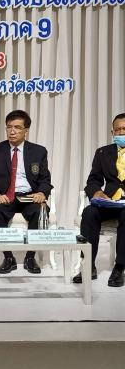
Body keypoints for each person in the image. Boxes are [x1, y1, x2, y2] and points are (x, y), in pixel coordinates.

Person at [0, 110, 53, 274]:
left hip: (29, 196)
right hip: (5, 196)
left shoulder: (39, 151)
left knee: (40, 211)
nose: (12, 131)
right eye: (9, 127)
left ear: (26, 131)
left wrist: (42, 193)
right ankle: (8, 257)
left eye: (17, 127)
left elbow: (45, 179)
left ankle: (30, 257)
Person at [73, 113, 125, 287]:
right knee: (89, 212)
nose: (121, 133)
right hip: (109, 201)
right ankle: (88, 265)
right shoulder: (103, 152)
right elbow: (93, 179)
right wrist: (96, 192)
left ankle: (120, 267)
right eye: (117, 130)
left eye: (124, 129)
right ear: (112, 132)